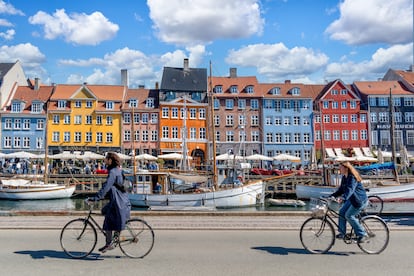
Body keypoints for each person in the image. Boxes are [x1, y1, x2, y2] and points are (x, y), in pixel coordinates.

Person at [88, 152, 131, 253]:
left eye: (106, 159)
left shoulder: (113, 172)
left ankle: (110, 243)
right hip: (120, 200)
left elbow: (106, 187)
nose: (104, 160)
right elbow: (114, 187)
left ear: (110, 160)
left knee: (108, 219)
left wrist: (96, 198)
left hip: (118, 202)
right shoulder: (117, 170)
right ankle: (112, 240)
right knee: (105, 213)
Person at [330, 161, 369, 243]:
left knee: (349, 215)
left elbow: (350, 190)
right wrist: (332, 196)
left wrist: (343, 198)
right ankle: (342, 233)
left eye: (341, 167)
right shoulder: (345, 177)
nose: (339, 169)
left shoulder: (352, 177)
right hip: (352, 200)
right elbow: (341, 190)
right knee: (341, 211)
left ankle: (363, 234)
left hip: (359, 200)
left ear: (346, 168)